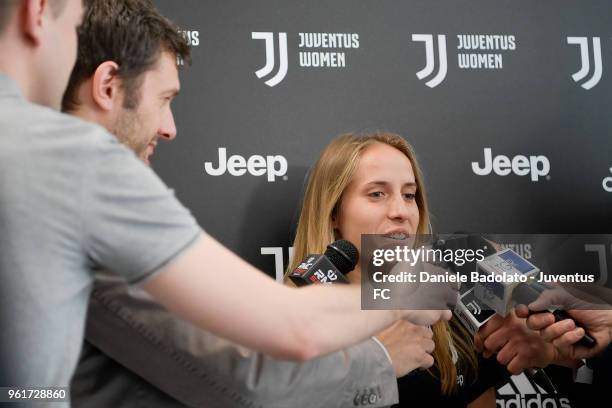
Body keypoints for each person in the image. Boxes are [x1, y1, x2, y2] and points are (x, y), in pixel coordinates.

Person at [0, 0, 450, 396]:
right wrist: (397, 301)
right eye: (165, 99)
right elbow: (282, 338)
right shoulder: (75, 161)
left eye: (409, 195)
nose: (171, 127)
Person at [284, 132, 515, 407]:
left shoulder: (451, 306)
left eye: (409, 195)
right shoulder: (295, 322)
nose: (400, 211)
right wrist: (374, 360)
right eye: (377, 194)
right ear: (334, 212)